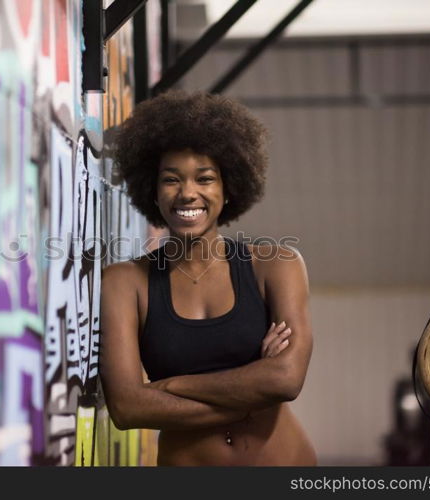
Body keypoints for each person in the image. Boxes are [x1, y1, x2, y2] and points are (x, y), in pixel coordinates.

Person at [99, 90, 315, 466]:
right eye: (171, 180)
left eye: (205, 178)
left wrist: (170, 387)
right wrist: (248, 395)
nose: (187, 193)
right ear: (152, 189)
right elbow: (127, 407)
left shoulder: (276, 265)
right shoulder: (124, 282)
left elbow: (285, 379)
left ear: (228, 187)